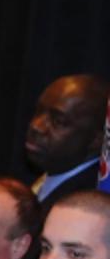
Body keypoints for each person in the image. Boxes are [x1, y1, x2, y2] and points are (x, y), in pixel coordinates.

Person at [24, 74, 110, 220]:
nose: (36, 126)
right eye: (38, 111)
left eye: (58, 121)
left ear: (96, 140)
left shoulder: (85, 206)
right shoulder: (53, 174)